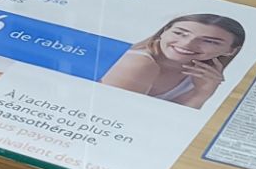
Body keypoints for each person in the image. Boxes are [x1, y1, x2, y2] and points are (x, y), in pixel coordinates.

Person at [100, 14, 245, 108]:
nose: (187, 44)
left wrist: (202, 93)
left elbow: (173, 126)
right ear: (164, 31)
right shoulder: (139, 63)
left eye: (209, 41)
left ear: (230, 51)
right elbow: (118, 116)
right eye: (180, 33)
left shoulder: (202, 79)